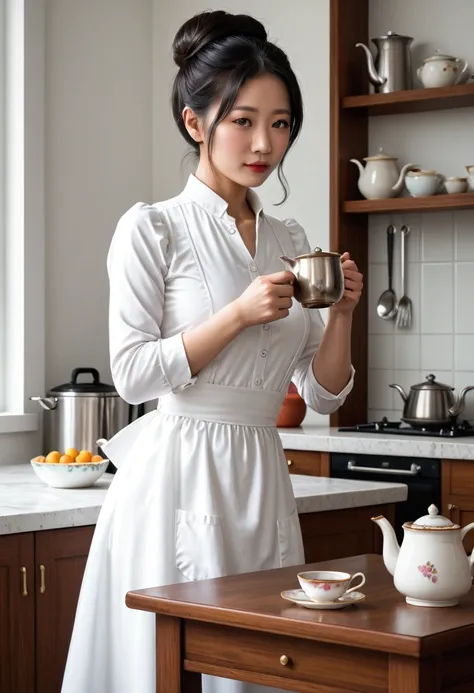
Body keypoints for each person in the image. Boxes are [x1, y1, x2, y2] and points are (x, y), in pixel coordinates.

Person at [61, 9, 363, 693]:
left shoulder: (289, 236)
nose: (265, 142)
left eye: (281, 122)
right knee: (175, 668)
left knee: (264, 668)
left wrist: (341, 313)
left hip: (261, 470)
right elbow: (133, 371)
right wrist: (236, 314)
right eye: (244, 120)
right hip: (178, 472)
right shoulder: (152, 228)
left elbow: (322, 392)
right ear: (196, 123)